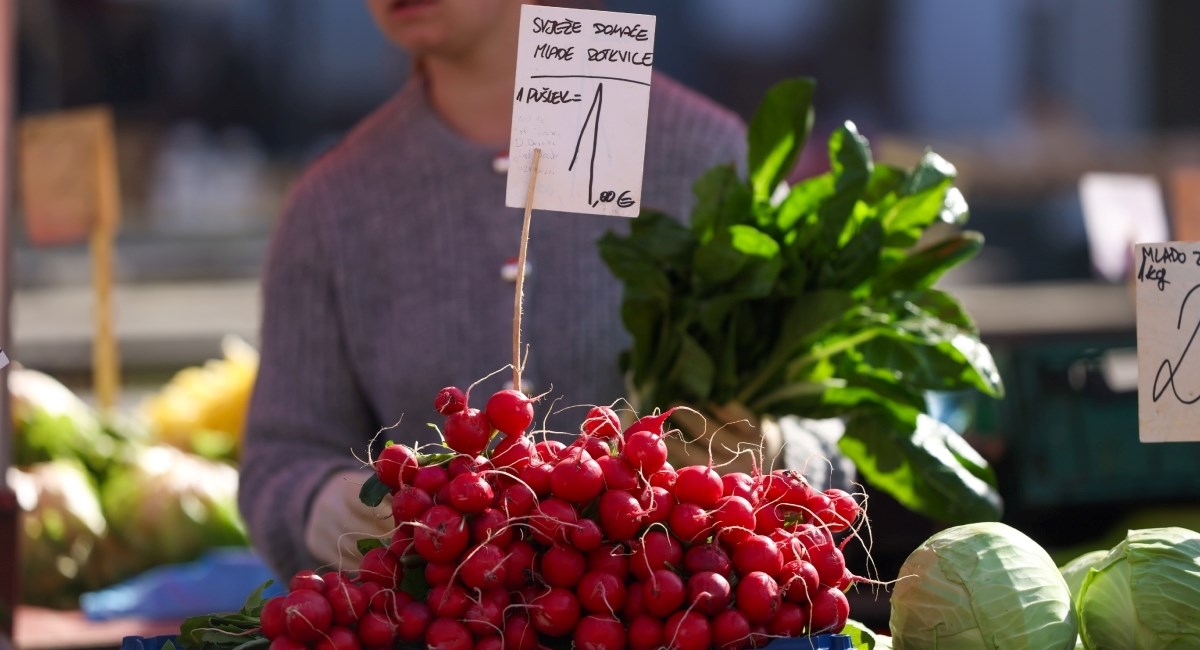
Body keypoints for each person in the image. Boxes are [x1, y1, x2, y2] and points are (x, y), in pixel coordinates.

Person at [237, 0, 757, 580]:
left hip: (667, 612)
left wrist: (764, 455)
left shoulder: (698, 155)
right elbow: (280, 458)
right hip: (441, 624)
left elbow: (813, 441)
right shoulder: (331, 204)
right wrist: (320, 504)